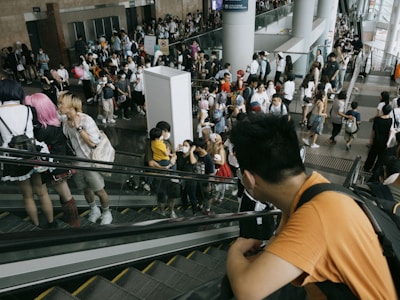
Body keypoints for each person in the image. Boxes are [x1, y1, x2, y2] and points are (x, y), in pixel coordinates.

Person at [227, 113, 397, 299]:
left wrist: (236, 248)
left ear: (250, 179)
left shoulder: (316, 216)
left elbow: (247, 290)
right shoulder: (314, 191)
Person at [0, 79, 55, 228]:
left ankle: (35, 225)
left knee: (27, 195)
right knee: (42, 192)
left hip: (14, 157)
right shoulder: (29, 109)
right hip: (33, 153)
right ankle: (51, 224)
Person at [24, 93, 80, 227]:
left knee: (66, 196)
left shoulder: (42, 130)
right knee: (65, 195)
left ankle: (74, 224)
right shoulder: (54, 124)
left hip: (55, 167)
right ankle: (72, 221)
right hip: (59, 164)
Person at [57, 91, 113, 225]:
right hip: (76, 162)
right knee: (85, 189)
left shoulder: (85, 120)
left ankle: (106, 212)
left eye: (61, 103)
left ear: (71, 106)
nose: (58, 106)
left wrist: (79, 128)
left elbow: (93, 143)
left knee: (99, 190)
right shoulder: (65, 121)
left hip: (90, 161)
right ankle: (94, 209)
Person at [145, 121, 179, 218]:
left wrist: (173, 159)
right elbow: (151, 162)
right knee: (161, 195)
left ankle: (171, 211)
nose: (167, 133)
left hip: (171, 173)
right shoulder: (151, 144)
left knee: (172, 194)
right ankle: (162, 211)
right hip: (160, 175)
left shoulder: (168, 142)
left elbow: (174, 154)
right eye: (165, 131)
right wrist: (164, 167)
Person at [364, 104, 393, 182]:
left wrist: (371, 140)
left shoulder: (377, 119)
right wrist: (388, 141)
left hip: (376, 140)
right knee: (380, 156)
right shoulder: (390, 120)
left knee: (372, 154)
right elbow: (389, 132)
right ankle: (375, 169)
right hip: (384, 141)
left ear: (382, 110)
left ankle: (367, 166)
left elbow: (374, 131)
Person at [176, 139, 198, 215]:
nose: (184, 147)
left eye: (186, 146)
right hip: (181, 179)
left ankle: (194, 210)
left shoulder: (193, 156)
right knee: (183, 195)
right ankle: (184, 208)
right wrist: (176, 149)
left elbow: (193, 162)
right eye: (183, 145)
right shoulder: (179, 154)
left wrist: (191, 152)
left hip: (191, 179)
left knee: (192, 195)